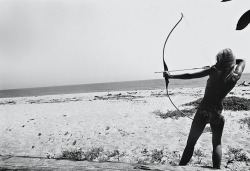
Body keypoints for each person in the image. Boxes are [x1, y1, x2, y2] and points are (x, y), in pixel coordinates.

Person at [163, 48, 246, 169]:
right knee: (217, 143)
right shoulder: (235, 75)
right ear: (231, 63)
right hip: (217, 112)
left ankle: (180, 168)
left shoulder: (213, 70)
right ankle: (217, 169)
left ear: (220, 61)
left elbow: (189, 76)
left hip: (203, 111)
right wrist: (228, 64)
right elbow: (242, 61)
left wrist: (170, 76)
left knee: (190, 144)